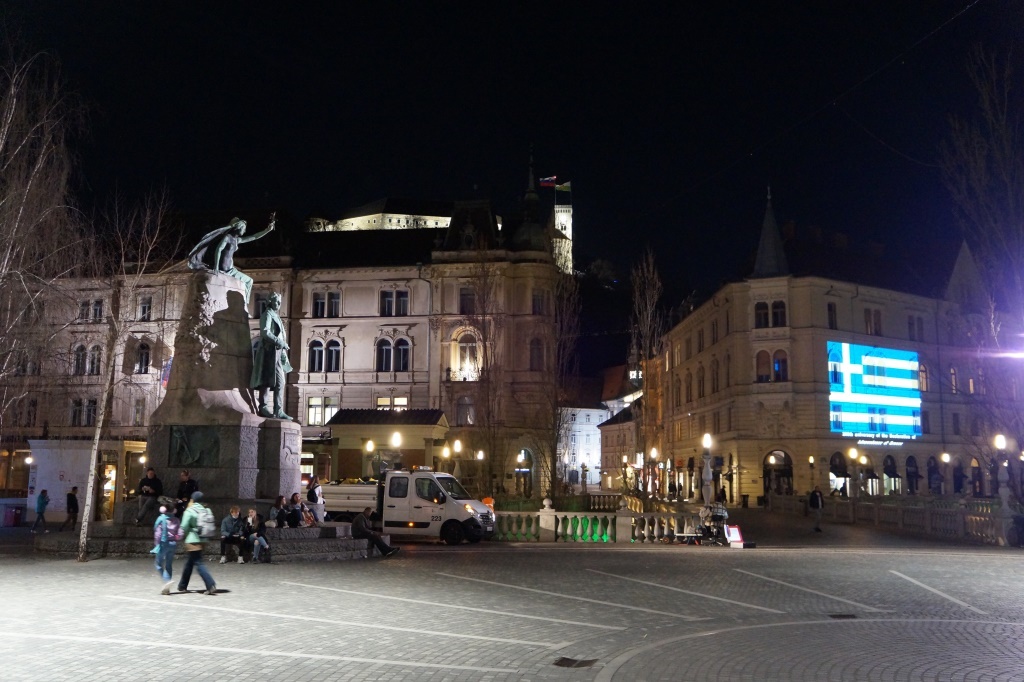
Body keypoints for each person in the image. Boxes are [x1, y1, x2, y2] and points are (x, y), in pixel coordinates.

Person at [187, 214, 275, 304]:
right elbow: (219, 249)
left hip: (231, 269)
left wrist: (267, 230)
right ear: (238, 227)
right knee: (249, 281)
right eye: (244, 229)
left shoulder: (237, 240)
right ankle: (244, 304)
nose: (244, 231)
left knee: (249, 281)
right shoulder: (227, 237)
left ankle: (245, 304)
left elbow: (254, 237)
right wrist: (216, 267)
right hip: (225, 269)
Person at [250, 291, 292, 420]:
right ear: (269, 301)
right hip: (268, 352)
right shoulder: (267, 314)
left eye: (280, 302)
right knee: (267, 380)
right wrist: (280, 342)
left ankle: (277, 410)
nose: (278, 304)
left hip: (277, 353)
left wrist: (282, 348)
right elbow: (265, 332)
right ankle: (263, 407)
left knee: (279, 382)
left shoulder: (276, 316)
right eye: (276, 301)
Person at [177, 491, 217, 595]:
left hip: (192, 540)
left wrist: (178, 535)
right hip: (204, 539)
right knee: (190, 562)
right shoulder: (207, 510)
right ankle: (182, 585)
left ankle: (210, 584)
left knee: (198, 562)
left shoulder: (190, 510)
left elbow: (184, 526)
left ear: (193, 499)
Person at [153, 506, 181, 594]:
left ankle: (167, 580)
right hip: (173, 544)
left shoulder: (161, 519)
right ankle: (167, 589)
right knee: (169, 564)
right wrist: (177, 537)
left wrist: (157, 544)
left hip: (163, 543)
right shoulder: (176, 520)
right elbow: (180, 532)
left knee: (158, 564)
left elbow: (158, 534)